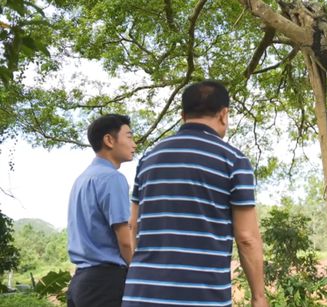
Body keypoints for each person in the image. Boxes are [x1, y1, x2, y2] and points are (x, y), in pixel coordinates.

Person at [122, 80, 267, 307]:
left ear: (183, 115)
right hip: (201, 297)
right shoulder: (233, 161)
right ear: (224, 114)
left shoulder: (149, 159)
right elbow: (247, 238)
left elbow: (133, 225)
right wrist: (259, 297)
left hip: (141, 295)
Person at [67, 114, 136, 307]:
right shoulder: (112, 178)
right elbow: (125, 241)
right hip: (105, 284)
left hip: (79, 283)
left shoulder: (82, 179)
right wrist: (139, 274)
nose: (134, 144)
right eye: (129, 136)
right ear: (109, 140)